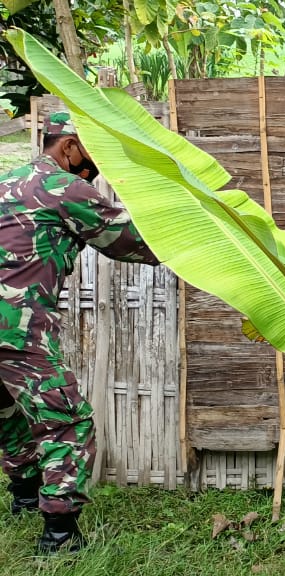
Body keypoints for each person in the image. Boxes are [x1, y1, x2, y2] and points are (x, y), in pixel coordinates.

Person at [0, 112, 159, 554]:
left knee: (8, 413)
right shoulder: (64, 187)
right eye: (90, 154)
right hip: (17, 329)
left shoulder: (7, 182)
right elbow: (129, 241)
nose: (94, 167)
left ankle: (25, 497)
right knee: (66, 423)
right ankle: (59, 536)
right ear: (68, 147)